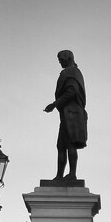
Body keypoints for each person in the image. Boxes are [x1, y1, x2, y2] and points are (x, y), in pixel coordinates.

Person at [44, 50, 87, 180]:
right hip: (67, 114)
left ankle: (72, 174)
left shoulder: (71, 72)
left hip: (72, 113)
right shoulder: (71, 72)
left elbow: (72, 92)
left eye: (61, 59)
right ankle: (59, 176)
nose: (60, 62)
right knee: (61, 145)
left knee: (70, 144)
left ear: (67, 58)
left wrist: (54, 104)